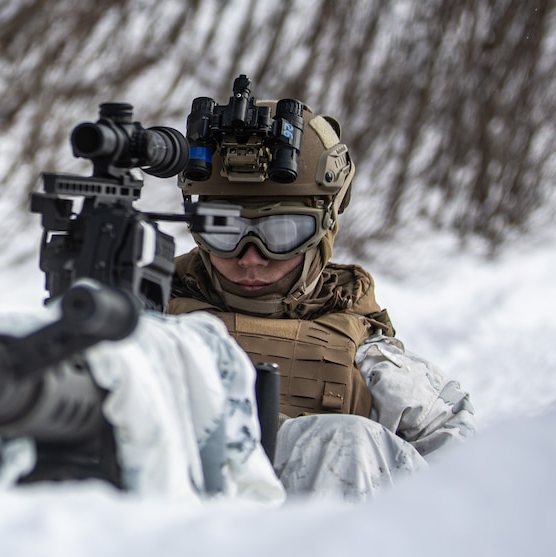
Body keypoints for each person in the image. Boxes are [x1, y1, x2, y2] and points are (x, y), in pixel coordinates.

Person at [167, 82, 476, 501]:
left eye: (282, 232)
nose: (250, 257)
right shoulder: (149, 317)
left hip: (327, 556)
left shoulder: (368, 361)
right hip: (172, 549)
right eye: (225, 229)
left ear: (324, 230)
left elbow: (469, 473)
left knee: (345, 441)